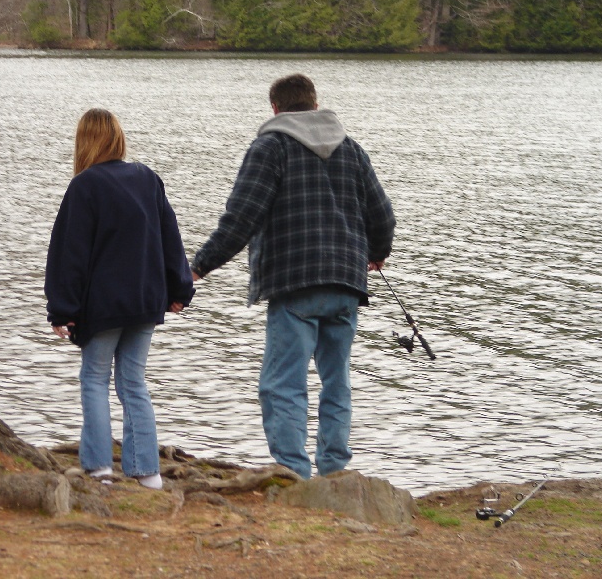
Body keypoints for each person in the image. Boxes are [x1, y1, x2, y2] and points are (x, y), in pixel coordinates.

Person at [191, 74, 396, 480]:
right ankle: (335, 471)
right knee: (336, 383)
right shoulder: (351, 149)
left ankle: (292, 475)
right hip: (346, 284)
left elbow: (241, 218)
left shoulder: (271, 146)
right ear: (315, 104)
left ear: (275, 109)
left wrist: (198, 266)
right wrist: (376, 254)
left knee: (283, 385)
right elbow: (383, 216)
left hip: (294, 284)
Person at [45, 108, 194, 489]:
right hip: (145, 301)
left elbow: (70, 253)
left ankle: (99, 468)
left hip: (104, 305)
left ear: (85, 141)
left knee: (94, 378)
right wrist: (179, 289)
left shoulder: (85, 186)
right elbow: (170, 239)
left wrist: (62, 308)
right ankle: (147, 472)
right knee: (133, 382)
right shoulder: (147, 178)